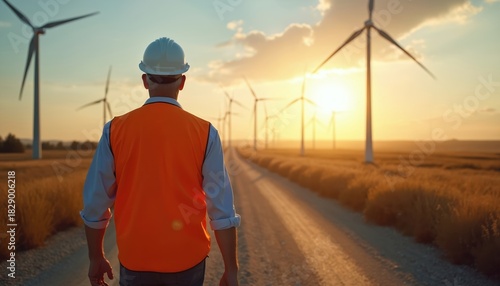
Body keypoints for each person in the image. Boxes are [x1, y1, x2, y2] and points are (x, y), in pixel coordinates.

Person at [80, 37, 241, 286]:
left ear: (145, 80)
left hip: (135, 260)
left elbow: (94, 206)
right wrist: (231, 269)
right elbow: (222, 211)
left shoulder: (114, 130)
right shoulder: (205, 132)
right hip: (187, 262)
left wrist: (96, 257)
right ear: (183, 81)